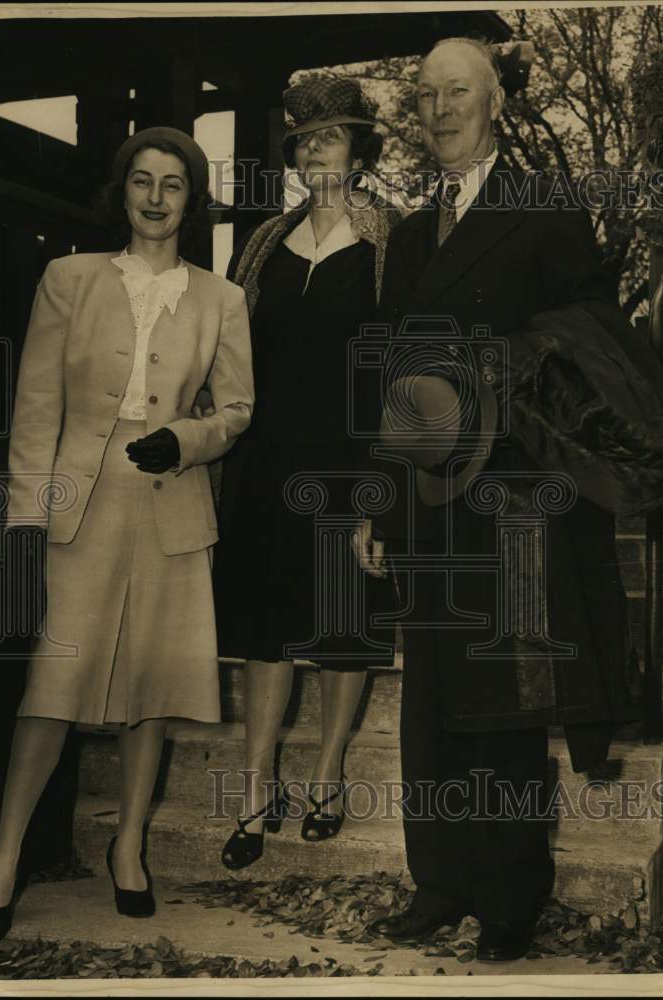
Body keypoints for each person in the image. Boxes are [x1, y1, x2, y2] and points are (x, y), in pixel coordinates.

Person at [352, 37, 663, 961]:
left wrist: (505, 366)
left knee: (506, 699)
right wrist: (378, 506)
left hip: (516, 496)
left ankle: (509, 901)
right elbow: (388, 373)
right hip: (426, 495)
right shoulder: (411, 234)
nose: (441, 108)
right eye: (426, 95)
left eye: (459, 91)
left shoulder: (545, 208)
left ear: (495, 101)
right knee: (432, 699)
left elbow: (594, 342)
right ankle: (439, 881)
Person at [0, 126, 253, 943]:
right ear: (121, 192)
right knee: (51, 690)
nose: (157, 198)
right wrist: (27, 521)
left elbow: (236, 410)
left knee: (151, 692)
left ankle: (129, 847)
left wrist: (190, 439)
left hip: (170, 505)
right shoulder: (69, 278)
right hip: (80, 506)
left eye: (173, 185)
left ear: (191, 202)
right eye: (143, 181)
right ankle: (3, 853)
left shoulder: (221, 299)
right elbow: (34, 411)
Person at [213, 76, 402, 870]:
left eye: (333, 136)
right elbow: (227, 356)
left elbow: (401, 369)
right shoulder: (260, 243)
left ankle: (325, 773)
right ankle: (258, 788)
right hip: (267, 462)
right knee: (265, 633)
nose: (318, 149)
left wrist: (380, 497)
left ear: (359, 150)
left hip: (349, 464)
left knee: (342, 630)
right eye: (306, 139)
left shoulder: (393, 242)